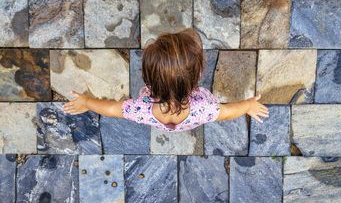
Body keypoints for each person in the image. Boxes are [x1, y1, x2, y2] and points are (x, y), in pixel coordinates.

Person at [63, 28, 269, 132]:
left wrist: (87, 102)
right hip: (189, 120)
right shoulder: (205, 108)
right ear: (197, 77)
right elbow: (227, 113)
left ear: (148, 79)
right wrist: (248, 105)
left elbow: (111, 109)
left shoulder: (140, 109)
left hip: (159, 121)